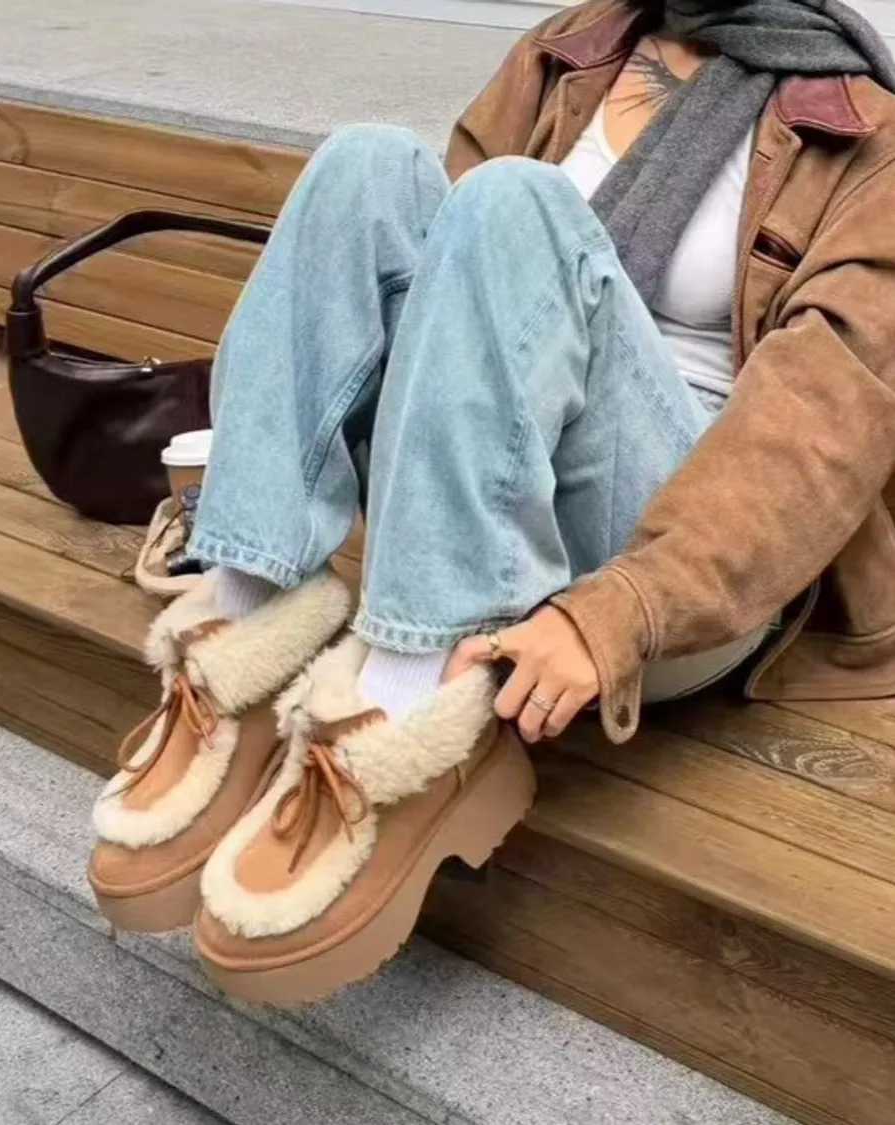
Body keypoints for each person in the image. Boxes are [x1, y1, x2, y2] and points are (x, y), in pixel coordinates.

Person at [89, 0, 895, 1005]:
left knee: (520, 202)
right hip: (493, 494)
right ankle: (248, 629)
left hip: (676, 565)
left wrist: (623, 611)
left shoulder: (862, 130)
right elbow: (453, 295)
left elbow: (816, 439)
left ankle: (413, 716)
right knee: (367, 164)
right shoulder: (571, 48)